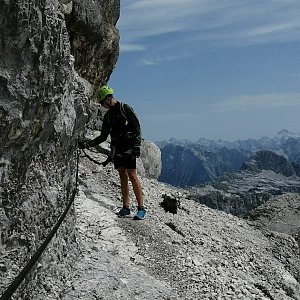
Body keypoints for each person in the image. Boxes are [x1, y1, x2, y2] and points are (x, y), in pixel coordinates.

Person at [79, 85, 146, 220]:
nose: (102, 105)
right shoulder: (108, 116)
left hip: (128, 147)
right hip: (118, 149)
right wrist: (87, 144)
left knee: (132, 175)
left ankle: (141, 208)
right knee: (122, 175)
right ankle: (125, 207)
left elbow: (136, 126)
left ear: (109, 98)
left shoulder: (124, 108)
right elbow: (103, 136)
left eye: (103, 102)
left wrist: (137, 146)